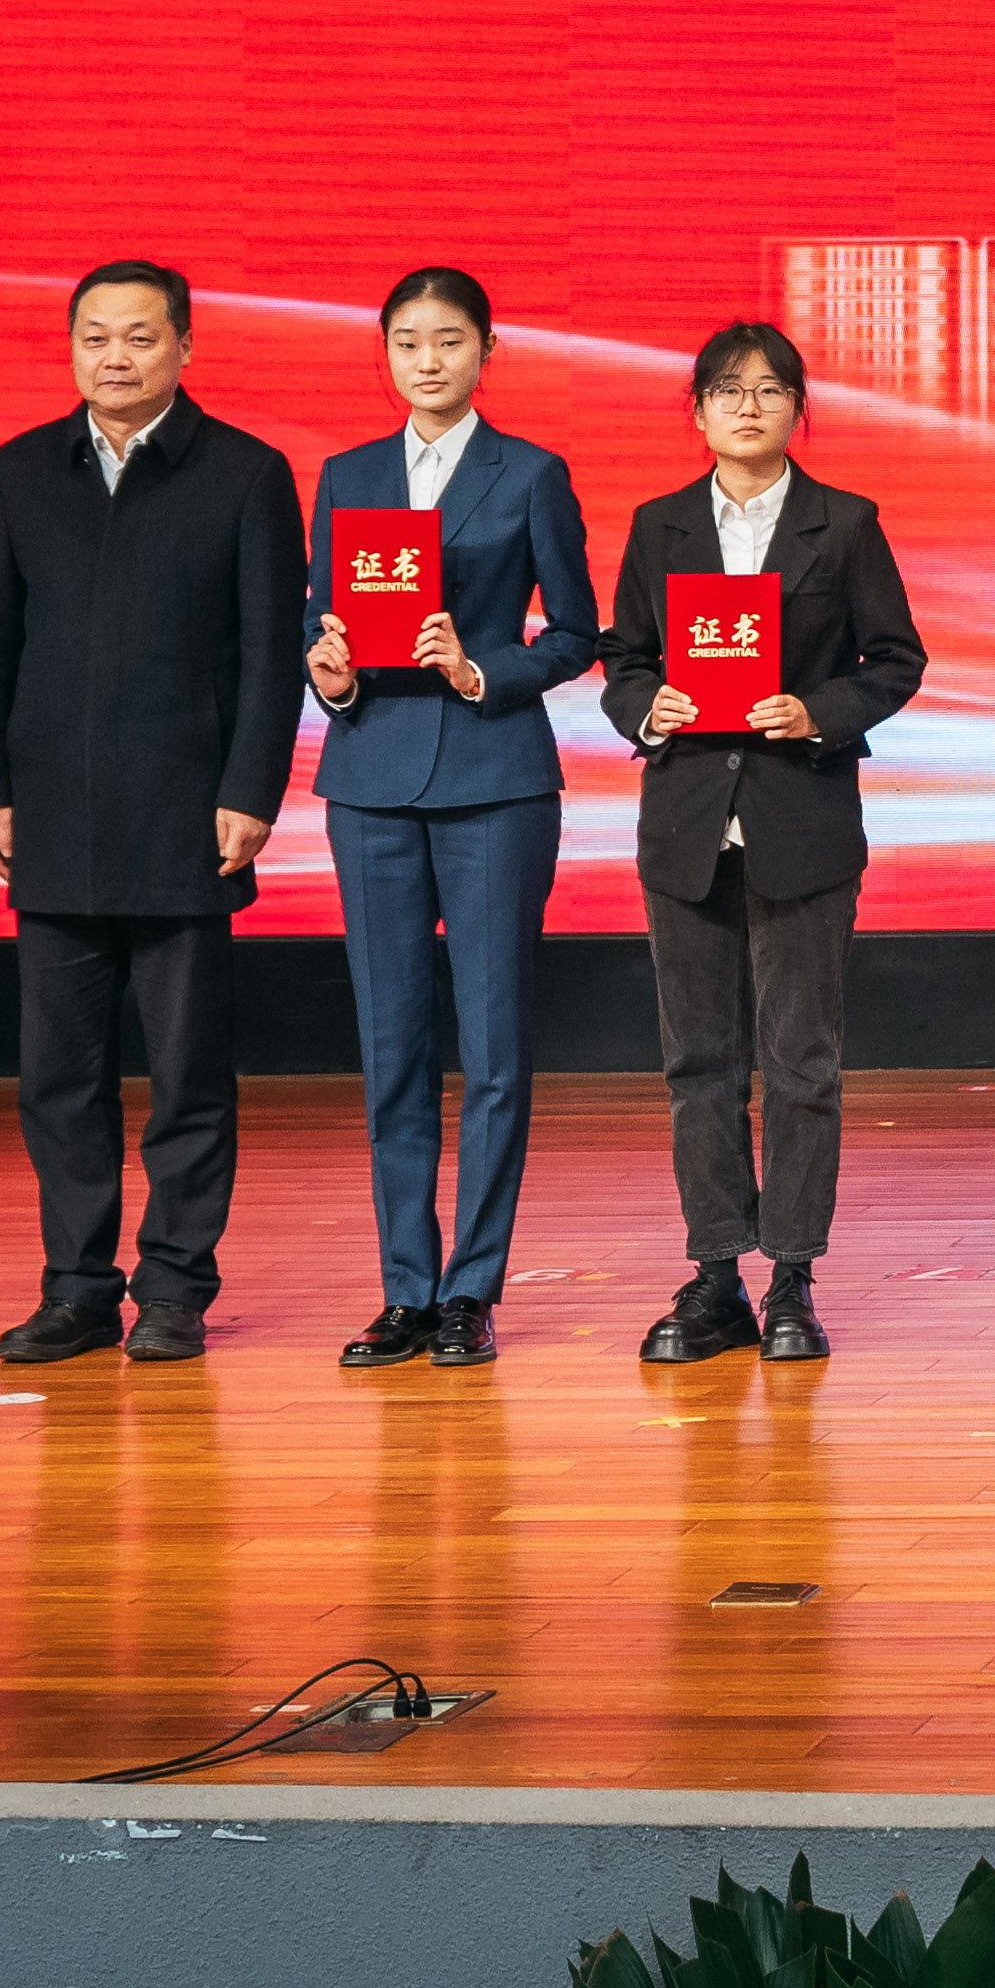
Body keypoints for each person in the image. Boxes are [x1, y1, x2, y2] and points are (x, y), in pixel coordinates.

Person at [0, 261, 307, 1364]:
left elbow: (271, 654)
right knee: (59, 1076)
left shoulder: (246, 472)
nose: (116, 356)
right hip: (53, 814)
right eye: (95, 337)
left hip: (186, 816)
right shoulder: (24, 468)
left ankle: (174, 1286)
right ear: (72, 348)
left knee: (188, 1071)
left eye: (141, 337)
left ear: (185, 347)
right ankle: (75, 1287)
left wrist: (251, 790)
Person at [599, 322, 926, 1367]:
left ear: (798, 408)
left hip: (802, 815)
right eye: (727, 390)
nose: (748, 407)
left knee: (800, 1060)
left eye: (770, 389)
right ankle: (714, 1274)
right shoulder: (659, 525)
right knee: (698, 1059)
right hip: (689, 820)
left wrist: (818, 711)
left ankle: (791, 1274)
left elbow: (896, 658)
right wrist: (651, 705)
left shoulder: (846, 523)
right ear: (697, 410)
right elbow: (623, 660)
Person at [297, 268, 598, 1373]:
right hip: (370, 778)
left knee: (495, 1044)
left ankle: (471, 1288)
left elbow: (576, 633)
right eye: (407, 342)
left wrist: (479, 671)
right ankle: (404, 1290)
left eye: (450, 340)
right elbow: (318, 619)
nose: (427, 361)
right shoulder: (347, 475)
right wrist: (328, 675)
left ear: (486, 350)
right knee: (392, 1046)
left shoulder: (531, 473)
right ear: (384, 352)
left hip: (493, 780)